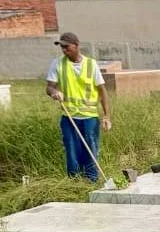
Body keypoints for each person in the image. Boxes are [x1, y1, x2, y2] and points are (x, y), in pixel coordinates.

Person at [45, 32, 112, 182]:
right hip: (69, 117)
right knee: (72, 151)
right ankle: (74, 182)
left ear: (76, 45)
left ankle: (91, 181)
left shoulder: (91, 64)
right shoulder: (57, 64)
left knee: (91, 149)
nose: (64, 50)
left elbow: (102, 91)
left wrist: (106, 116)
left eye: (66, 47)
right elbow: (49, 87)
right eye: (61, 47)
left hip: (89, 117)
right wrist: (54, 92)